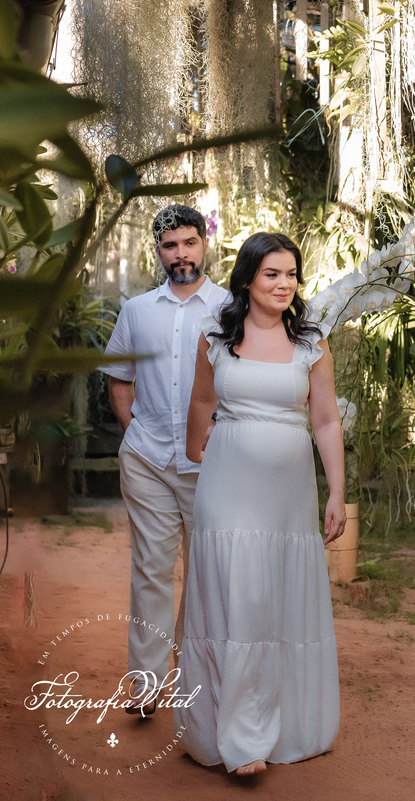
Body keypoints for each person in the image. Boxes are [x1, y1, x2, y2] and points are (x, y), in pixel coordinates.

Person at [177, 231, 344, 776]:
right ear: (248, 278)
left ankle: (287, 724)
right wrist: (198, 451)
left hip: (288, 499)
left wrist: (337, 491)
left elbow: (325, 419)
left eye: (291, 273)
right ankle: (238, 738)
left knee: (275, 601)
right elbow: (203, 402)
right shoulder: (217, 338)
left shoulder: (311, 343)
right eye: (272, 273)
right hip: (227, 487)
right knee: (239, 598)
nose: (284, 284)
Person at [100, 204, 231, 714]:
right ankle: (146, 687)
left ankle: (197, 683)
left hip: (212, 464)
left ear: (204, 244)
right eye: (170, 246)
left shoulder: (229, 307)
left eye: (189, 243)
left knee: (206, 573)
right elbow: (119, 381)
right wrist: (137, 435)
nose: (181, 254)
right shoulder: (136, 310)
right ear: (158, 251)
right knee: (151, 570)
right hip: (148, 459)